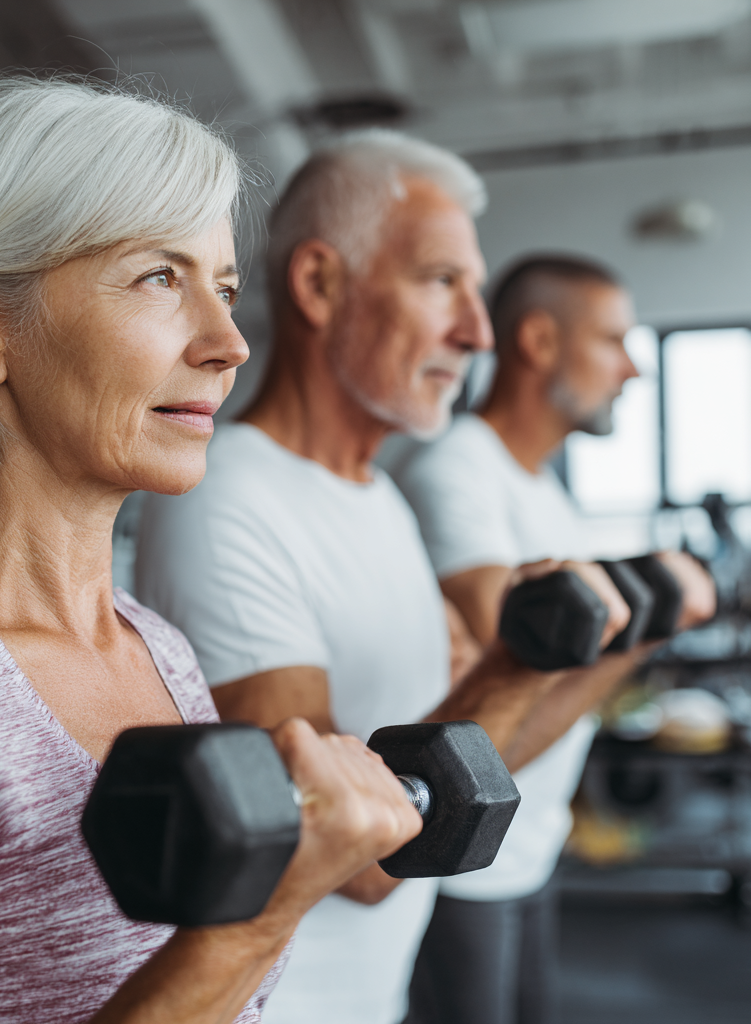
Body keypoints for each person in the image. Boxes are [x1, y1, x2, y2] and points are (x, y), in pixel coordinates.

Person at [0, 77, 425, 1024]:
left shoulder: (156, 648)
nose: (228, 342)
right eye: (160, 278)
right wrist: (260, 919)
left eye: (224, 288)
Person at [134, 134, 642, 1024]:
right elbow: (360, 860)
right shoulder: (229, 498)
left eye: (475, 291)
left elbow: (464, 734)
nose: (477, 332)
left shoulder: (380, 499)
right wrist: (518, 663)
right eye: (442, 281)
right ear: (320, 284)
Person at [392, 254, 715, 1024]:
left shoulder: (542, 490)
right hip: (461, 864)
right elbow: (508, 697)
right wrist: (652, 623)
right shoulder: (456, 471)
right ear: (538, 341)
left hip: (528, 844)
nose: (633, 369)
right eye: (612, 340)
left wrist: (640, 619)